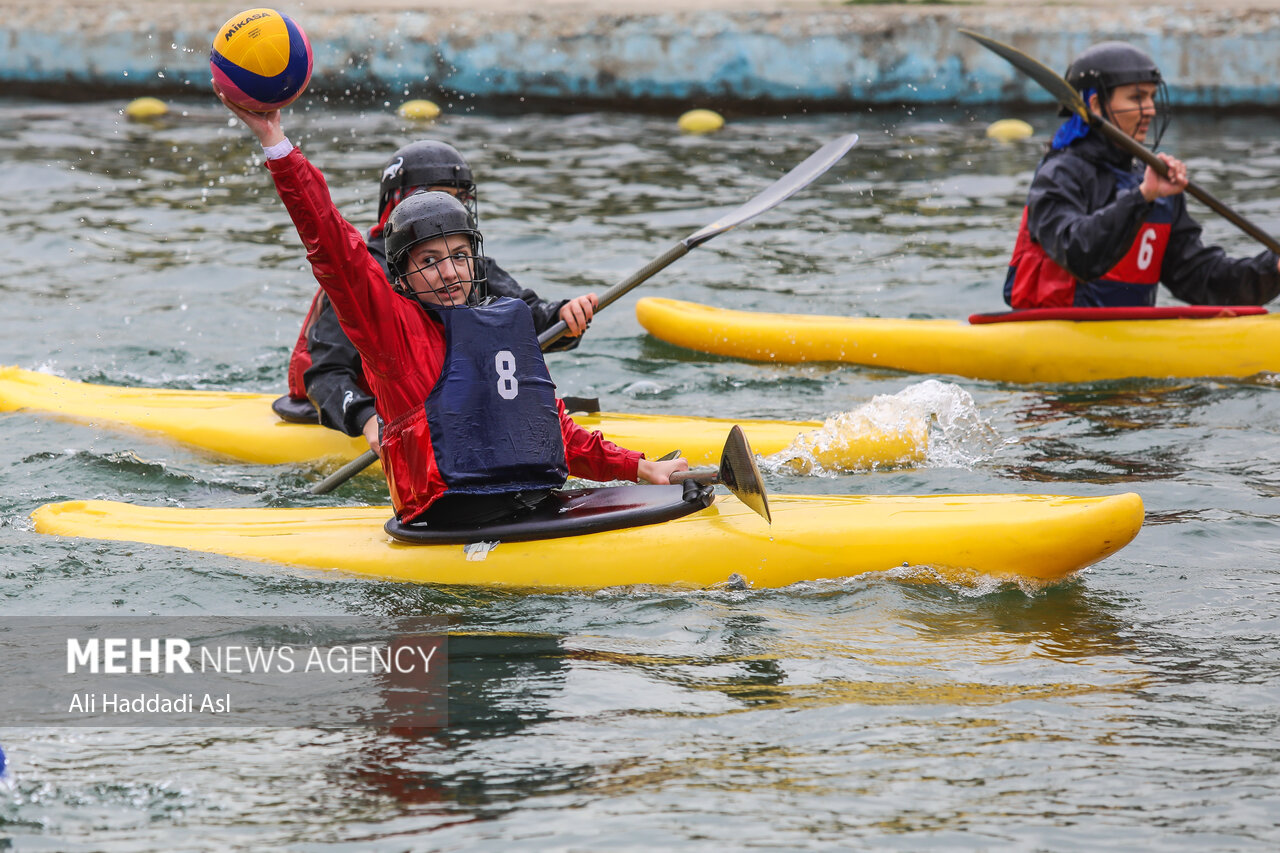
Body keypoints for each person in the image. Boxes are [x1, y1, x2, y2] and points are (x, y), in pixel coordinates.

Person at [216, 85, 686, 525]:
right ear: (401, 274)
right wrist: (276, 143)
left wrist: (643, 469)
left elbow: (554, 430)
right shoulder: (389, 332)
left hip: (525, 501)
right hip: (447, 517)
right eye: (430, 261)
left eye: (460, 256)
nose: (449, 272)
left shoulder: (500, 322)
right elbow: (332, 246)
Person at [276, 140, 599, 456]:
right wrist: (367, 419)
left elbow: (527, 318)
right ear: (399, 202)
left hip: (438, 401)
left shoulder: (467, 265)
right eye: (441, 198)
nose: (450, 211)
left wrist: (564, 315)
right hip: (367, 406)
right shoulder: (364, 281)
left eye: (461, 199)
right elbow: (324, 374)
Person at [1003, 41, 1280, 309]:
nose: (1149, 109)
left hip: (1128, 338)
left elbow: (1199, 277)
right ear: (1097, 105)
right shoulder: (1059, 175)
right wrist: (1141, 198)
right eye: (1137, 97)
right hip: (1060, 335)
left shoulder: (1152, 184)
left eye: (1151, 97)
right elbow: (1078, 255)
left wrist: (1272, 268)